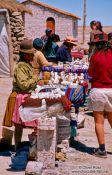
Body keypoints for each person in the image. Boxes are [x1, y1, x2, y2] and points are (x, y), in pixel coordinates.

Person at [1, 39, 39, 150]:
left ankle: (18, 146)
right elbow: (24, 85)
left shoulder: (26, 65)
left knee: (19, 125)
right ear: (25, 55)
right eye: (31, 54)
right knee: (19, 124)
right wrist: (35, 79)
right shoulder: (21, 67)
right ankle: (17, 147)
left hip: (23, 95)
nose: (33, 56)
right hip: (20, 96)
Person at [88, 32, 112, 158]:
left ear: (97, 44)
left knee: (99, 121)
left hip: (98, 91)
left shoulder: (95, 57)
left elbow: (90, 74)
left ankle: (102, 150)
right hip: (111, 90)